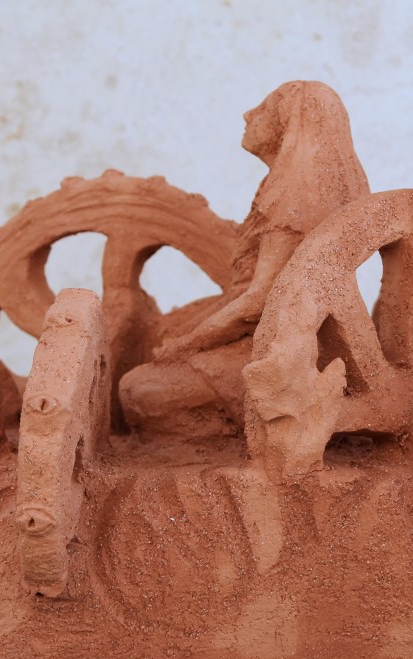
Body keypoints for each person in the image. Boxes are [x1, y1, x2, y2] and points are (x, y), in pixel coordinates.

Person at [119, 81, 370, 437]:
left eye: (264, 109)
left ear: (289, 124)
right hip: (295, 339)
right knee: (161, 337)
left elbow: (258, 301)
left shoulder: (297, 197)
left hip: (281, 347)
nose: (248, 115)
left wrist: (186, 344)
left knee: (136, 390)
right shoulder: (302, 188)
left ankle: (237, 434)